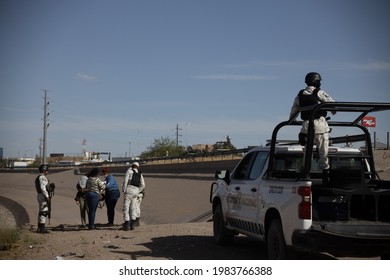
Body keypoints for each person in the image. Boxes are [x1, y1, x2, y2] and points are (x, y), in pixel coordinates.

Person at [290, 72, 335, 174]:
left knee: (307, 151)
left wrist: (291, 120)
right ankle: (325, 172)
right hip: (320, 125)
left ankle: (306, 171)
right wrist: (333, 110)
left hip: (306, 126)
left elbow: (294, 110)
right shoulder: (319, 92)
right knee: (323, 152)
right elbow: (332, 104)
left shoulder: (300, 94)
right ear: (316, 82)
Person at [122, 162, 145, 230]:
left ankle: (127, 223)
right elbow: (143, 185)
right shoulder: (139, 174)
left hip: (129, 190)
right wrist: (138, 190)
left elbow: (125, 181)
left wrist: (124, 189)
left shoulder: (129, 171)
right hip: (136, 191)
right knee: (133, 207)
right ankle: (133, 224)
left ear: (132, 166)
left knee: (126, 207)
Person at [35, 164, 54, 233]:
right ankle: (42, 228)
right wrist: (47, 196)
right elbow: (43, 188)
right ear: (44, 170)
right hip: (42, 195)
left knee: (42, 211)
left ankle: (40, 227)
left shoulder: (40, 177)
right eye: (46, 170)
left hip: (41, 195)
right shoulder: (42, 177)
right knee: (44, 211)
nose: (47, 171)